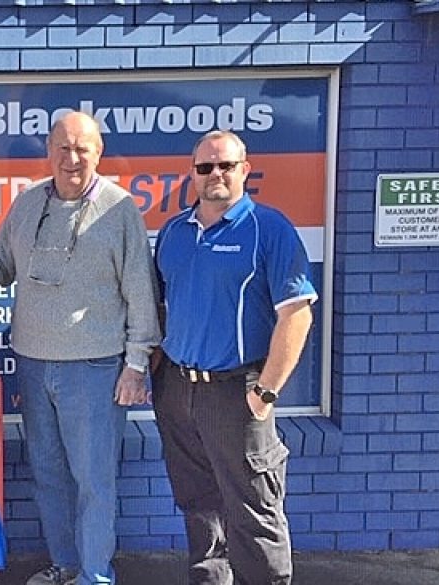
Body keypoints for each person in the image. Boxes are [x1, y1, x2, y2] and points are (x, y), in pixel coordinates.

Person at [0, 112, 160, 585]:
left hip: (94, 367)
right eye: (63, 147)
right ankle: (65, 565)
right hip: (33, 362)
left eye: (83, 147)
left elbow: (142, 294)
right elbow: (0, 257)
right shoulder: (27, 205)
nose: (72, 157)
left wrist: (136, 363)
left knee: (93, 482)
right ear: (48, 152)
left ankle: (95, 575)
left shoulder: (119, 209)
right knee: (48, 475)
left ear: (99, 154)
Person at [152, 130, 318, 585]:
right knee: (199, 507)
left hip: (236, 394)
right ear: (193, 174)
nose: (215, 174)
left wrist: (265, 392)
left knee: (253, 512)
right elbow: (161, 307)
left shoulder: (270, 229)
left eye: (225, 165)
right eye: (205, 167)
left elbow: (297, 315)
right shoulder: (174, 232)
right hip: (178, 392)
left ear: (246, 169)